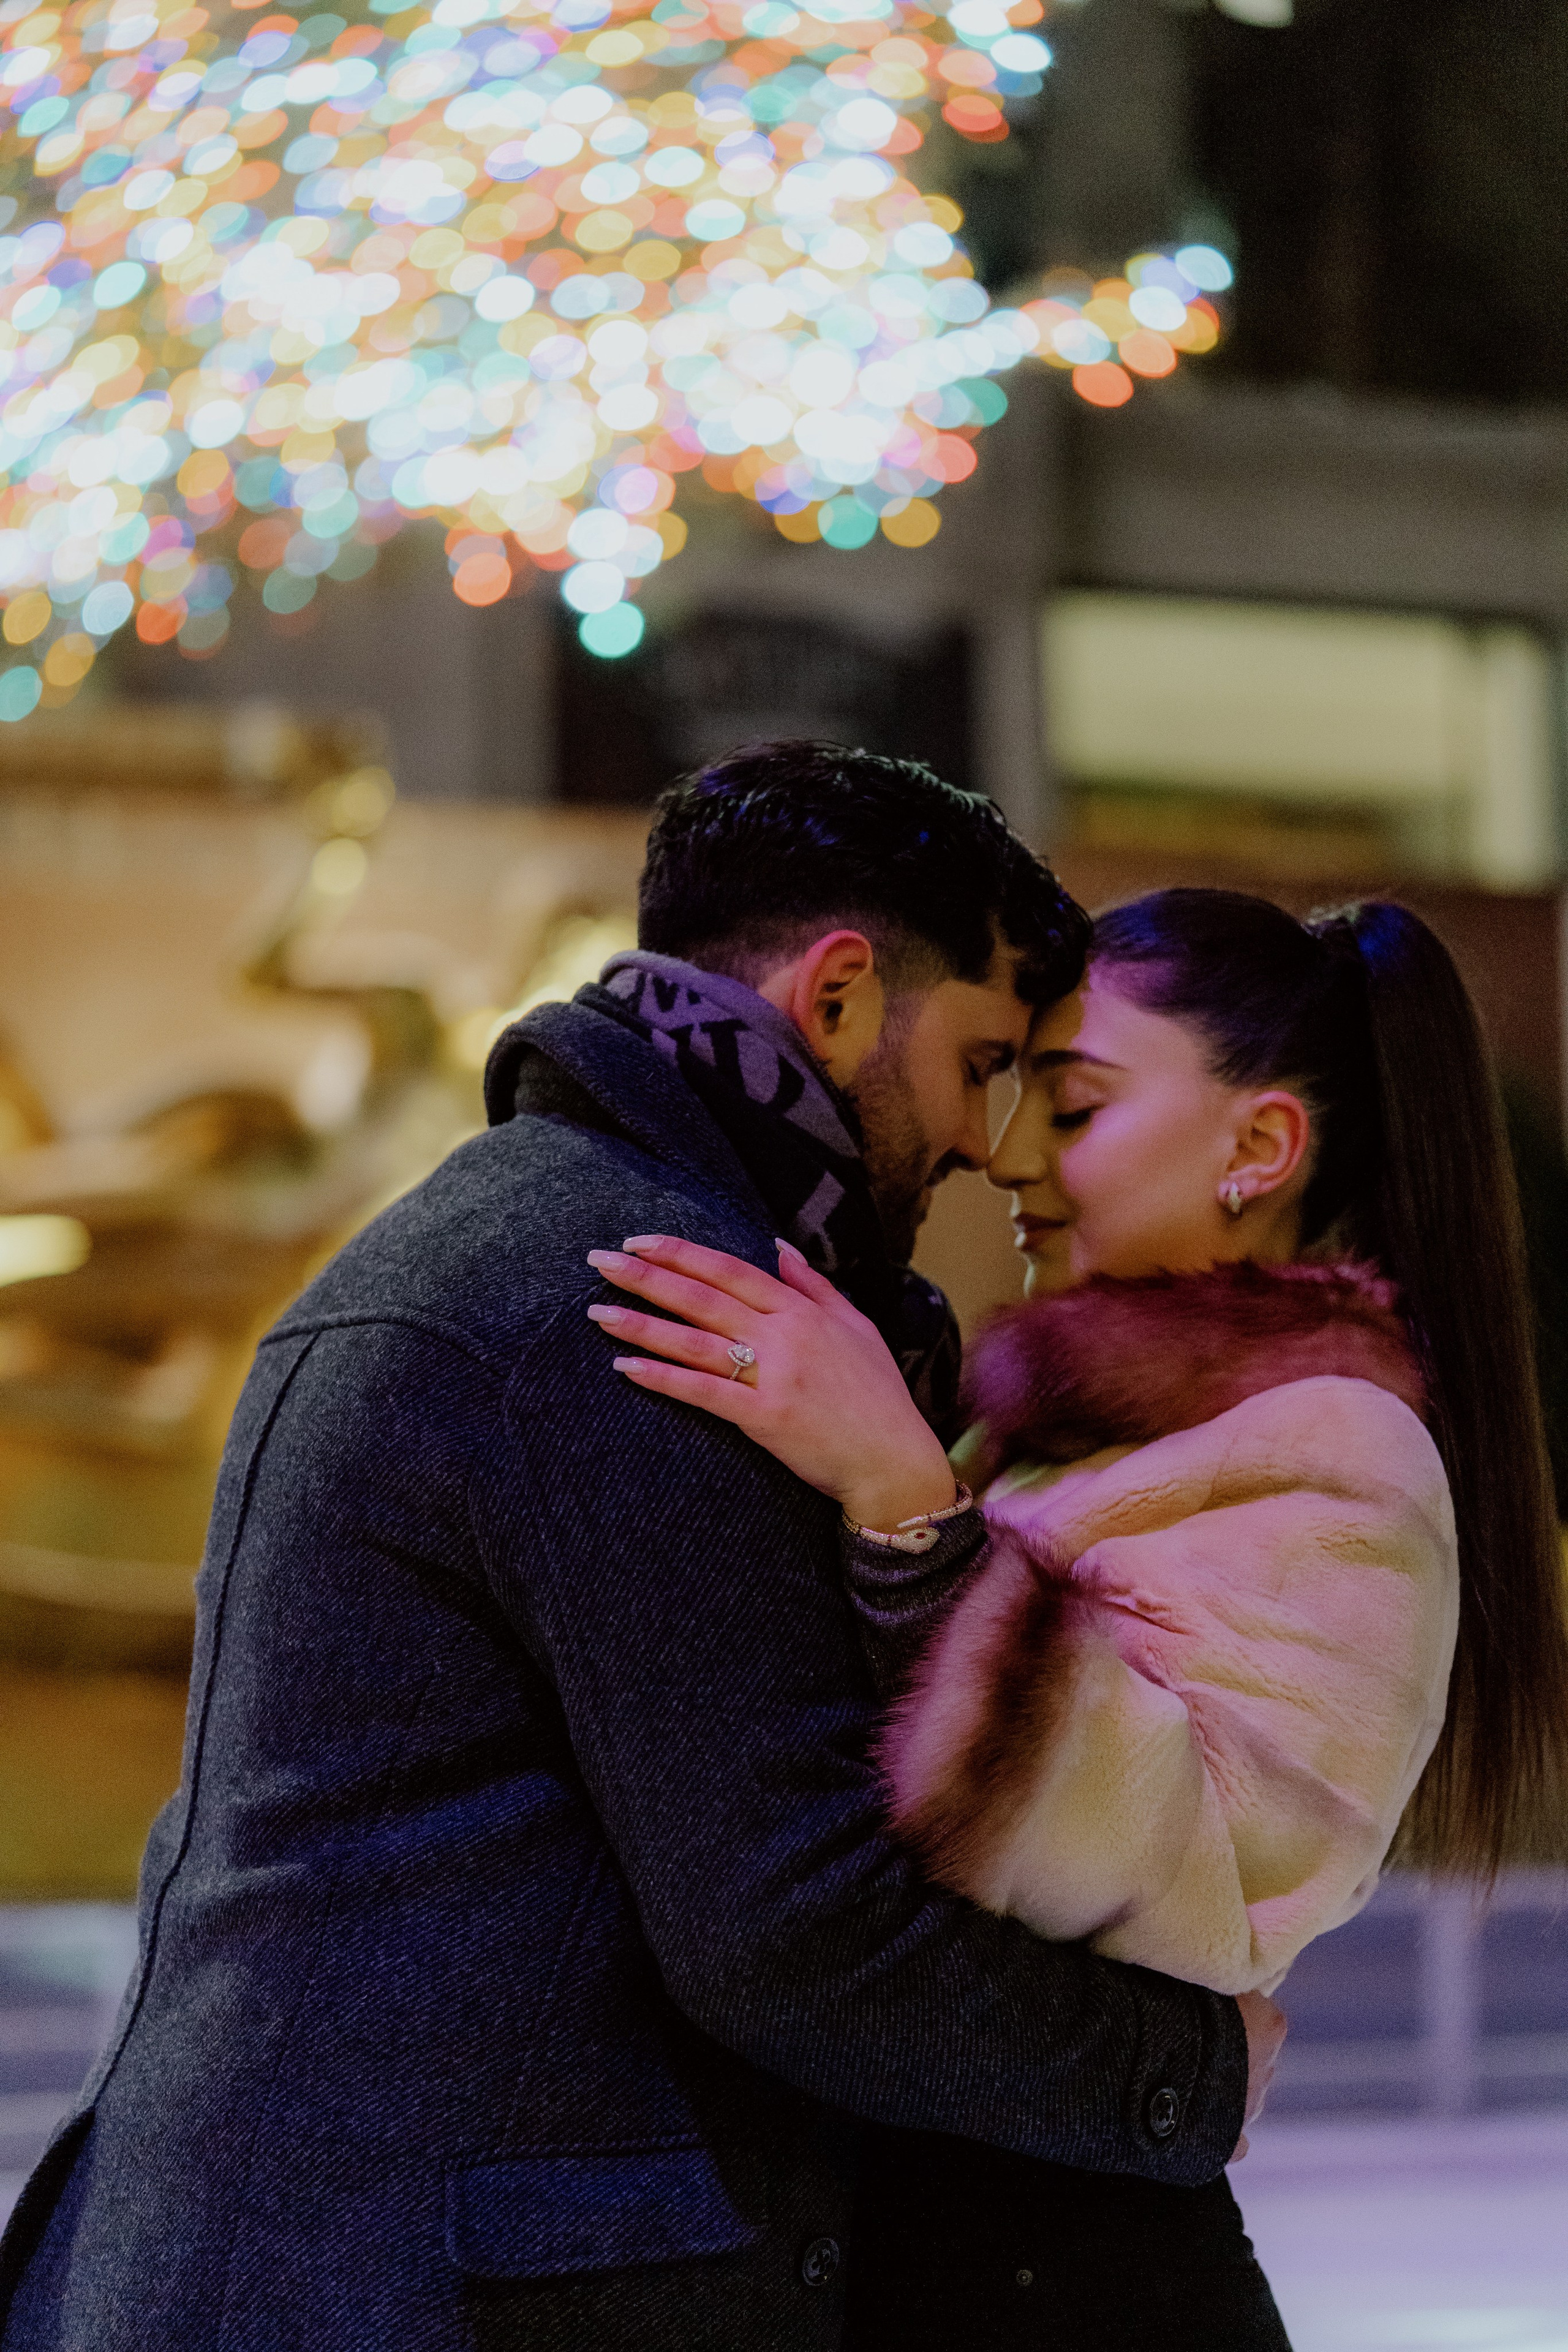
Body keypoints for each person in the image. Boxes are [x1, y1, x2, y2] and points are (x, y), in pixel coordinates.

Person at [0, 758, 1281, 2352]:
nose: (985, 1141)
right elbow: (793, 1929)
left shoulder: (526, 1236)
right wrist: (1183, 2067)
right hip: (419, 2291)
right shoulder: (647, 1306)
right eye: (983, 1064)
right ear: (836, 998)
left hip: (300, 2256)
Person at [586, 886, 1568, 2350]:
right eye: (1009, 1093)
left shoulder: (1339, 1455)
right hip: (937, 2241)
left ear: (1257, 1147)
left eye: (1075, 1106)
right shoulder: (1061, 1440)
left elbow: (1180, 1878)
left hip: (1074, 2279)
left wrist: (904, 1505)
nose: (1008, 1158)